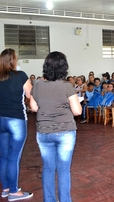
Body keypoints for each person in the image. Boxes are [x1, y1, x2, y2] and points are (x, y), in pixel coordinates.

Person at [30, 51, 82, 202]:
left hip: (44, 132)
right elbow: (77, 111)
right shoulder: (66, 86)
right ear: (64, 68)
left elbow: (33, 107)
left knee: (47, 169)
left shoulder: (37, 84)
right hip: (65, 132)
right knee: (64, 170)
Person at [0, 48, 33, 201]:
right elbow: (29, 94)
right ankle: (14, 191)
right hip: (16, 119)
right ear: (13, 60)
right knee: (14, 157)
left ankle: (5, 189)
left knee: (3, 157)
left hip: (0, 120)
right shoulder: (21, 75)